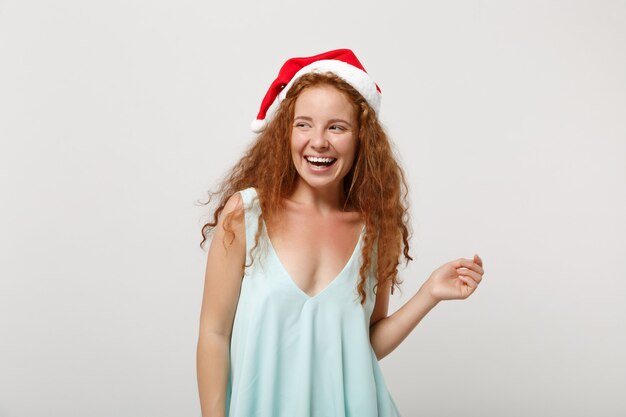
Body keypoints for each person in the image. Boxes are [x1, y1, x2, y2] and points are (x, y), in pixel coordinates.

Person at [196, 48, 485, 417]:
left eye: (337, 127)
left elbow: (362, 345)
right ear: (285, 132)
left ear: (361, 137)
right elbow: (213, 335)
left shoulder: (375, 229)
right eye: (304, 124)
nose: (319, 141)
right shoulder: (246, 214)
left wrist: (429, 293)